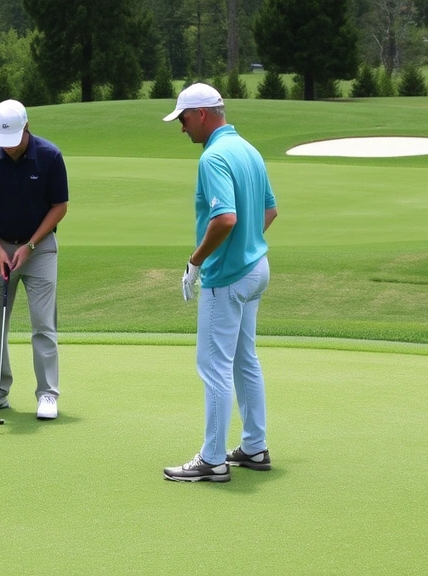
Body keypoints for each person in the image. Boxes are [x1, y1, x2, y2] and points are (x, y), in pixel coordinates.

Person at [160, 83, 278, 483]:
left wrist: (196, 261)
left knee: (213, 366)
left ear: (204, 115)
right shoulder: (248, 149)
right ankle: (254, 446)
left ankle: (212, 458)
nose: (182, 127)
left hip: (226, 278)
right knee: (245, 360)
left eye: (184, 118)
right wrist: (248, 247)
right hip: (256, 269)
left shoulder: (213, 158)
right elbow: (270, 211)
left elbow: (224, 218)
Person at [0, 99, 69, 420]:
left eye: (14, 142)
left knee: (42, 324)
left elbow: (59, 206)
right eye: (3, 143)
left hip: (40, 250)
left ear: (27, 128)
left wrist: (31, 245)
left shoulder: (50, 157)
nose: (8, 149)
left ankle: (48, 394)